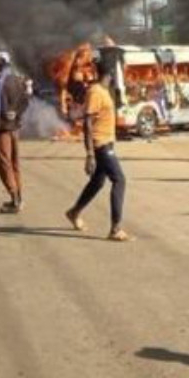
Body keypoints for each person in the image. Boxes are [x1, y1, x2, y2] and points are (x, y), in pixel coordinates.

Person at [64, 58, 130, 242]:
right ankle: (115, 228)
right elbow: (87, 122)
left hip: (106, 142)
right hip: (100, 145)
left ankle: (74, 212)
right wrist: (90, 154)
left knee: (98, 182)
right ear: (109, 74)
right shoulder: (95, 92)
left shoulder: (103, 91)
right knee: (120, 180)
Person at [0, 52, 29, 213]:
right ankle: (19, 196)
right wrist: (16, 113)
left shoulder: (0, 81)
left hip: (3, 129)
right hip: (15, 128)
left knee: (4, 164)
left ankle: (15, 200)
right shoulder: (17, 80)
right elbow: (26, 101)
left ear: (0, 63)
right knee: (15, 163)